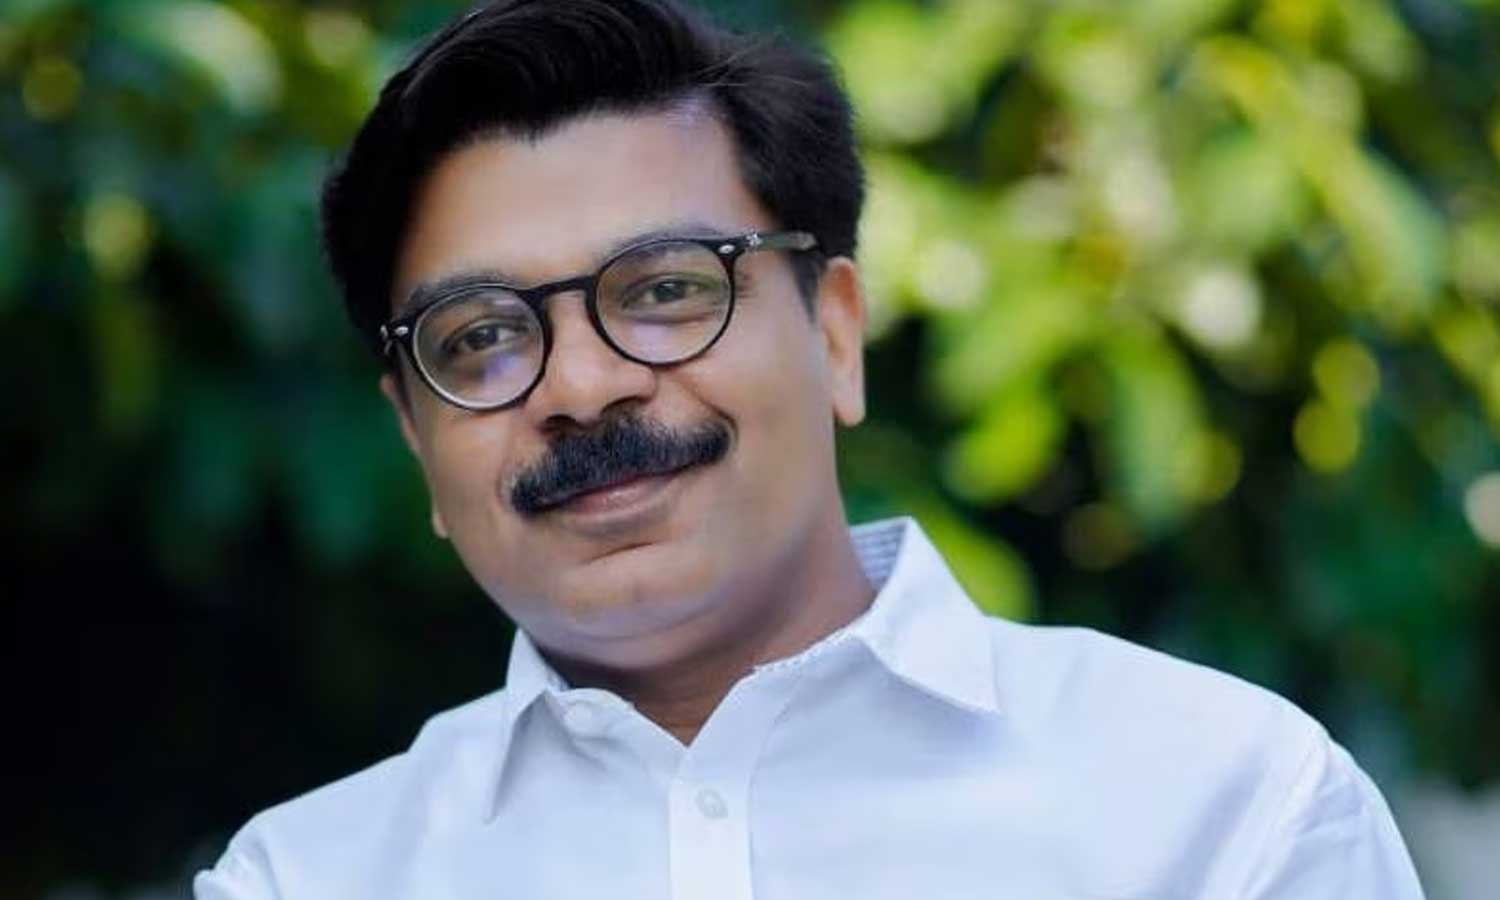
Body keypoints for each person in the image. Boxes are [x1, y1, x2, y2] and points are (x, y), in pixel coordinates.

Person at [194, 1, 1425, 896]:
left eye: (665, 290)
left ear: (836, 334)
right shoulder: (308, 878)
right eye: (481, 337)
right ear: (416, 438)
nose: (579, 386)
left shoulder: (1225, 811)